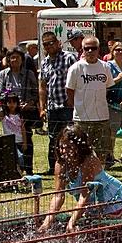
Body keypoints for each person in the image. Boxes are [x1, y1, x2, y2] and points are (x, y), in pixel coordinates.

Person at [39, 126, 122, 233]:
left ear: (79, 147)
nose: (64, 151)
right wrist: (46, 223)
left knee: (109, 233)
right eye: (62, 147)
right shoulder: (60, 164)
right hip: (92, 203)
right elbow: (58, 195)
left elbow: (84, 195)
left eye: (69, 147)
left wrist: (71, 222)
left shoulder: (88, 161)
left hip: (112, 199)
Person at [65, 35, 113, 161]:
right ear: (82, 50)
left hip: (102, 117)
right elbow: (69, 90)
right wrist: (76, 106)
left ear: (98, 49)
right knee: (81, 152)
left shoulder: (105, 67)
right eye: (87, 48)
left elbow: (107, 88)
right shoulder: (75, 68)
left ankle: (98, 177)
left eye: (93, 48)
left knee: (101, 152)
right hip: (82, 119)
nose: (90, 51)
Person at [38, 32, 77, 174]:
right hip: (52, 106)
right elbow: (42, 86)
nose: (49, 46)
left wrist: (71, 99)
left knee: (70, 137)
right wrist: (42, 108)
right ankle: (53, 167)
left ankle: (72, 165)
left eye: (51, 42)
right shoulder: (44, 62)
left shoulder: (69, 58)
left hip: (68, 106)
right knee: (53, 137)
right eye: (46, 44)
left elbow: (76, 80)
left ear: (58, 42)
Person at [0, 47, 39, 173]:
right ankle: (14, 167)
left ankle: (28, 168)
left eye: (17, 57)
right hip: (10, 111)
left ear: (22, 59)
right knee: (11, 139)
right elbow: (0, 93)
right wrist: (10, 101)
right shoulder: (3, 74)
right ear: (8, 60)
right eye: (12, 57)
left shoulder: (29, 74)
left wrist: (29, 103)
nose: (14, 60)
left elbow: (36, 92)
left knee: (26, 138)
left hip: (25, 111)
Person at [0, 93, 26, 169]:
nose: (12, 104)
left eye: (14, 102)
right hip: (8, 140)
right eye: (9, 102)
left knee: (20, 157)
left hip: (19, 141)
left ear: (17, 103)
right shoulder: (4, 115)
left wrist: (25, 142)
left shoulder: (19, 115)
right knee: (11, 158)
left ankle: (20, 170)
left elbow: (23, 129)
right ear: (6, 103)